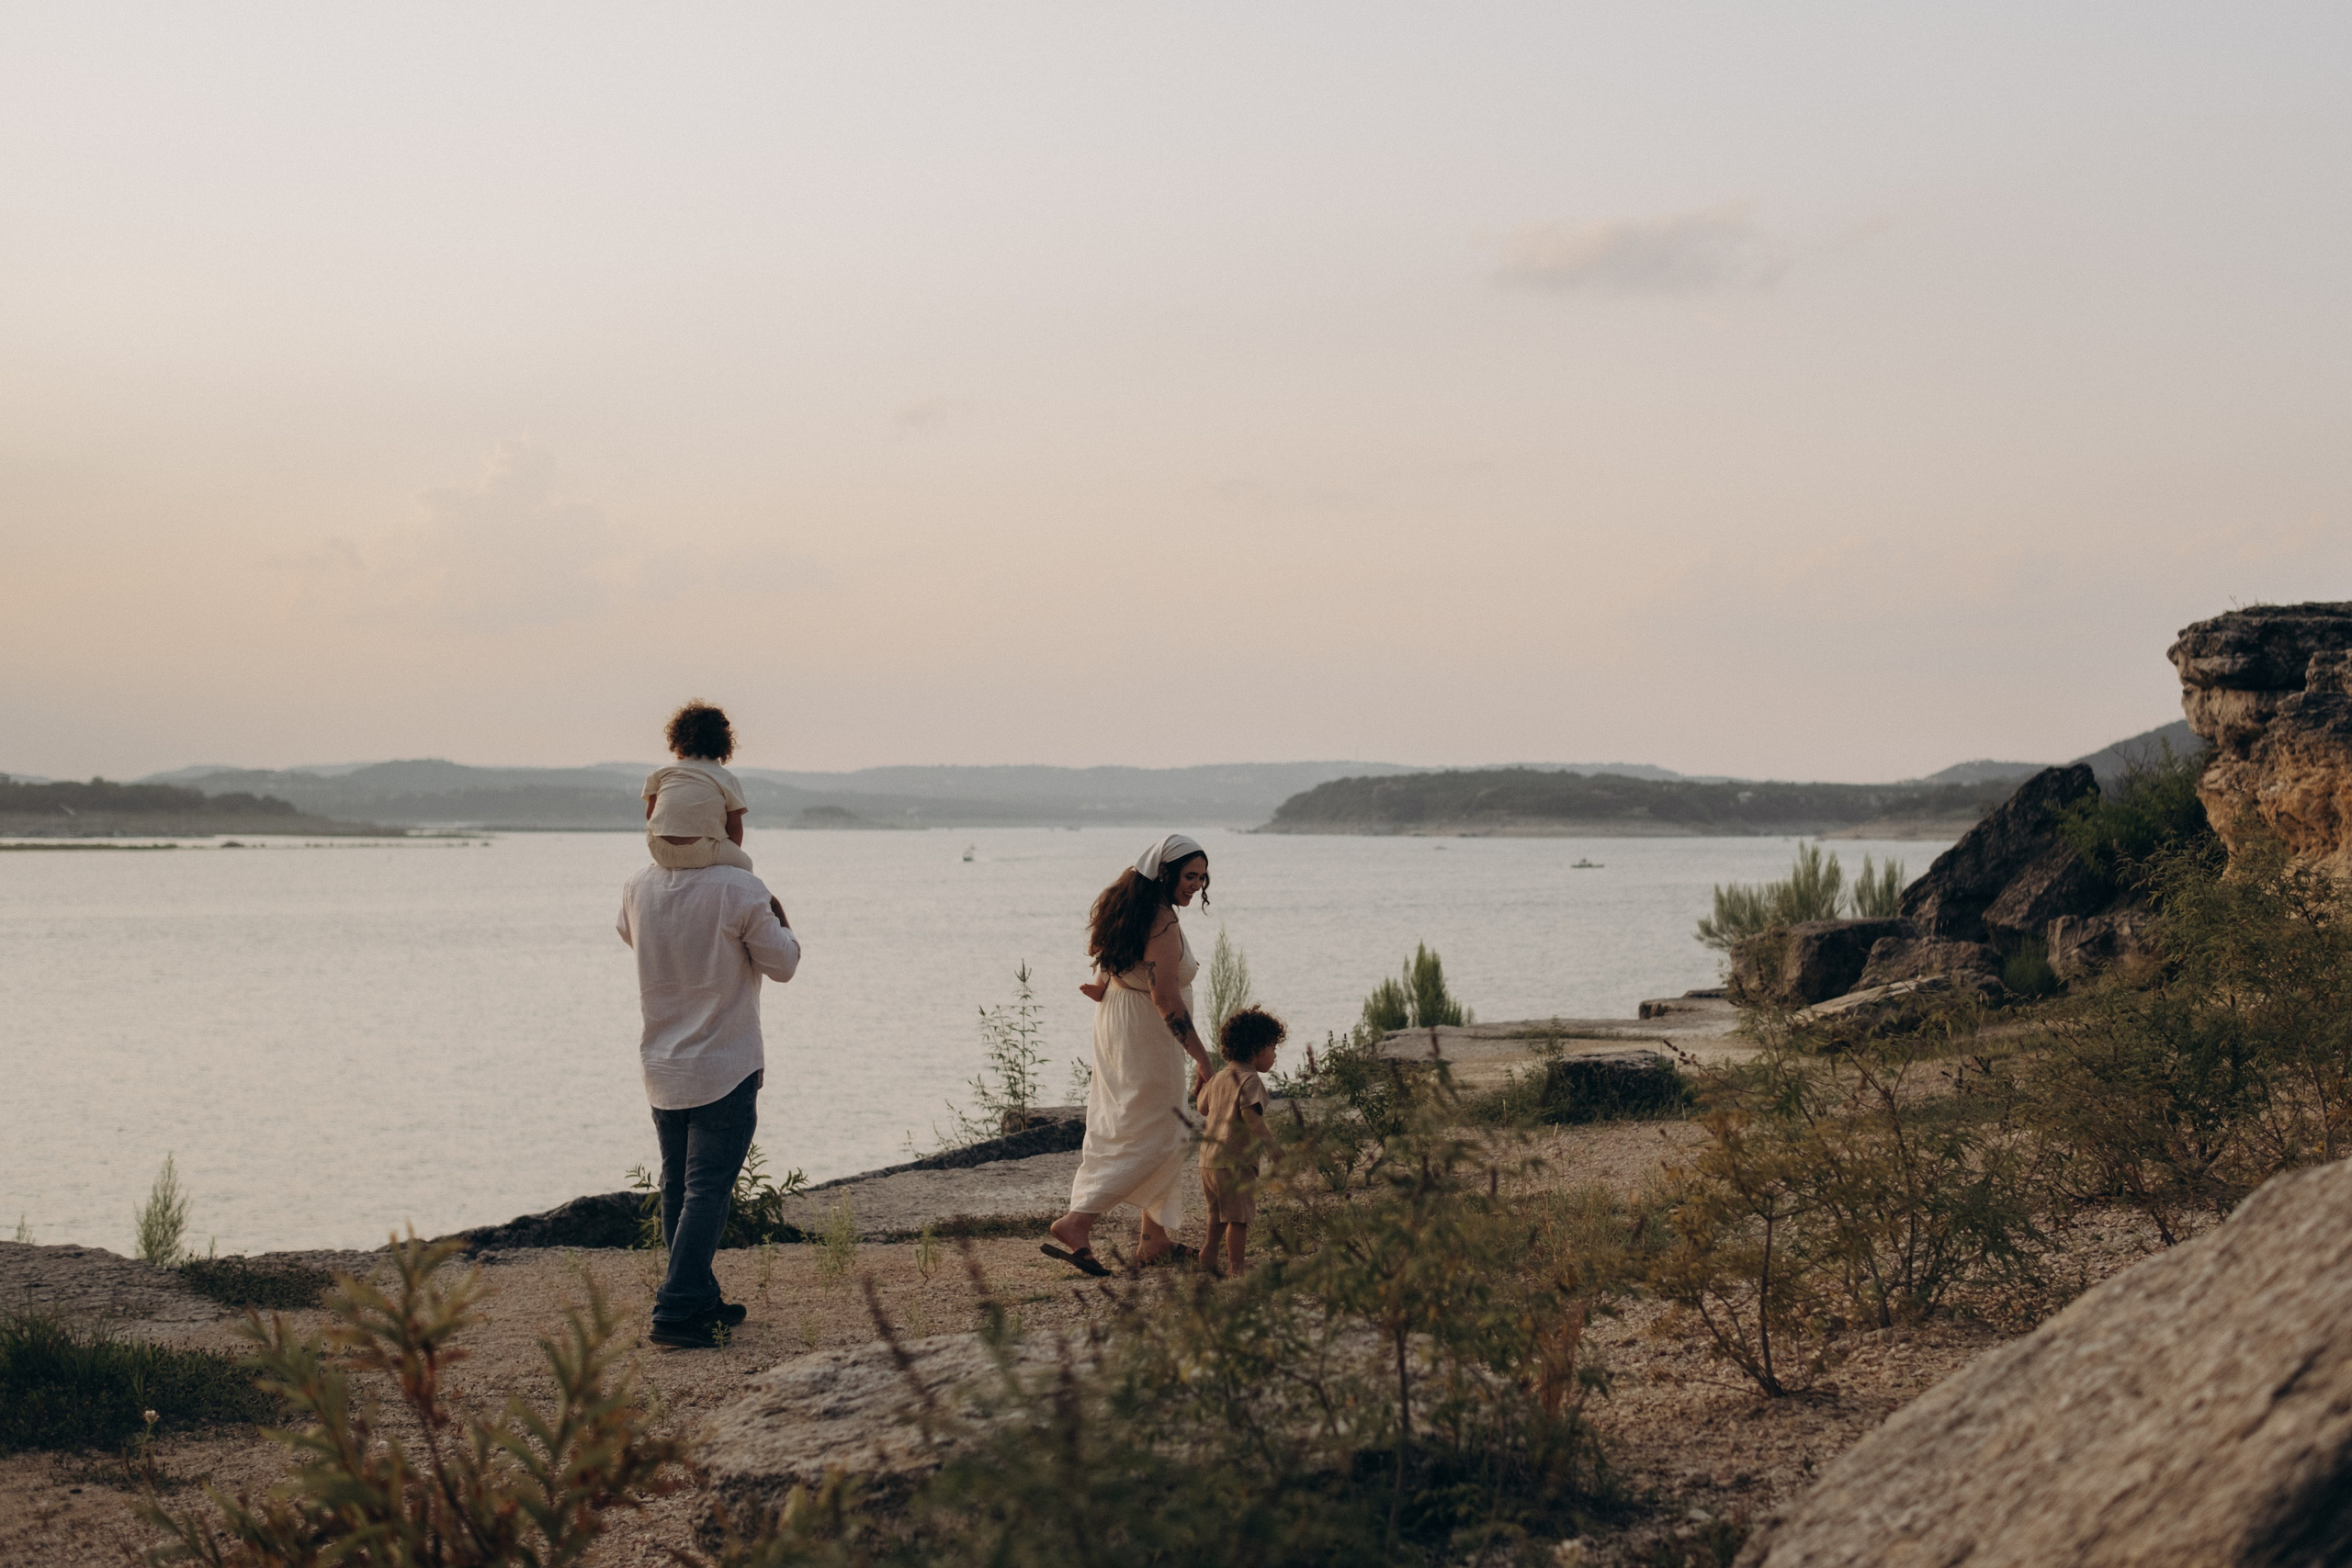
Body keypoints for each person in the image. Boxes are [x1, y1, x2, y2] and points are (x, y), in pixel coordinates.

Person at [616, 769, 800, 1348]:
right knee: (708, 1190)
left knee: (680, 1187)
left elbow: (630, 935)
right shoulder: (739, 889)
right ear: (716, 824)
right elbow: (784, 963)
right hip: (724, 1062)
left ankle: (699, 1297)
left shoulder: (638, 885)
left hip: (662, 1061)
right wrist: (780, 915)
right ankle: (675, 1308)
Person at [1043, 833, 1216, 1275]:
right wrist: (1202, 1056)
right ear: (1165, 872)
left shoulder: (1131, 906)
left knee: (1132, 1123)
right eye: (1189, 875)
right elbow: (1166, 1000)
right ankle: (1077, 1221)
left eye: (1201, 877)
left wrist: (1101, 986)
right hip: (1146, 1031)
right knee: (1161, 1132)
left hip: (1119, 1021)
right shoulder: (1161, 922)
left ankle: (1154, 1240)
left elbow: (1110, 956)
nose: (1196, 884)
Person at [1198, 1005, 1283, 1278]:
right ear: (1257, 1050)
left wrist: (1201, 1083)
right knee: (1238, 1218)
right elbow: (1251, 1116)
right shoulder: (1250, 1080)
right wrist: (1272, 1147)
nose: (1274, 1055)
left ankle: (1208, 1255)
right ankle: (1236, 1267)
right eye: (1272, 1048)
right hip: (1235, 1163)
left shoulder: (1218, 1079)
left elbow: (1202, 1107)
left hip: (1208, 1162)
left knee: (1216, 1215)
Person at [643, 700, 755, 873]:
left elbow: (651, 815)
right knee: (746, 864)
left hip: (658, 849)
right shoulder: (725, 778)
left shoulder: (661, 773)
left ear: (677, 738)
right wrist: (730, 855)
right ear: (723, 742)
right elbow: (734, 826)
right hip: (702, 851)